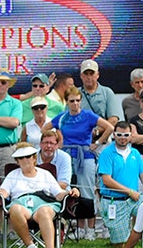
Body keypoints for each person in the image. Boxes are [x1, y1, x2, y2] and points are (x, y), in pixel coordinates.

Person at [45, 87, 113, 239]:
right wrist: (58, 141)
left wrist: (97, 142)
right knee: (72, 190)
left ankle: (91, 227)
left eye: (77, 101)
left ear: (80, 101)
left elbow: (109, 127)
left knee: (87, 191)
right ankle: (80, 227)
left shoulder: (88, 115)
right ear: (67, 102)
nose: (75, 104)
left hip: (85, 155)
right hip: (68, 155)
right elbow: (46, 128)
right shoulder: (62, 117)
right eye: (71, 101)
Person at [0, 144, 71, 248]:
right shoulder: (13, 175)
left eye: (28, 157)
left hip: (43, 203)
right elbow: (3, 193)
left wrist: (70, 192)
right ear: (17, 161)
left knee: (44, 211)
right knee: (15, 209)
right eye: (21, 158)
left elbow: (58, 194)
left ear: (34, 158)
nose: (25, 160)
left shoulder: (45, 174)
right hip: (22, 205)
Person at [98, 124, 143, 245]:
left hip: (134, 200)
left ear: (131, 136)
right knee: (119, 244)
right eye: (119, 135)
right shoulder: (106, 153)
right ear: (114, 135)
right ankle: (120, 237)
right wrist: (129, 192)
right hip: (114, 201)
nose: (122, 138)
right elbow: (107, 181)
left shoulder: (135, 153)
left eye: (126, 135)